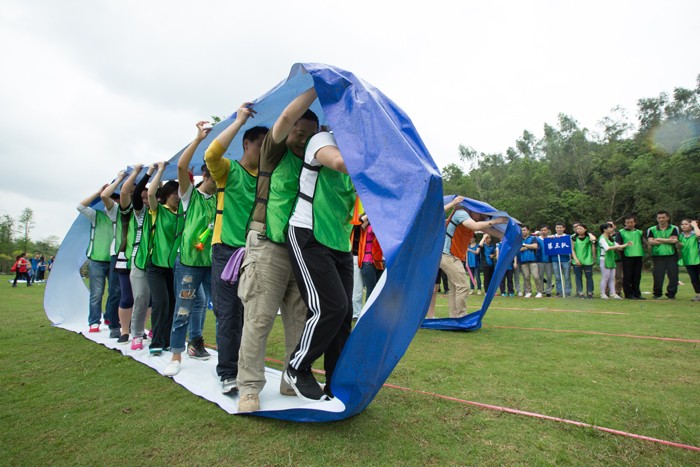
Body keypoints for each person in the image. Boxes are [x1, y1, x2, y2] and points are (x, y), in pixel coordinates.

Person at [236, 90, 318, 411]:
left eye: (310, 136)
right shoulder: (274, 153)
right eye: (299, 133)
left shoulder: (313, 165)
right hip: (267, 247)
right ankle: (249, 389)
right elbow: (285, 117)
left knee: (299, 321)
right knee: (259, 319)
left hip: (302, 252)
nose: (303, 140)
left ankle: (291, 380)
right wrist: (317, 87)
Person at [283, 127, 358, 402]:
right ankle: (297, 367)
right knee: (330, 307)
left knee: (344, 313)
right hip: (308, 234)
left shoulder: (355, 159)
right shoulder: (322, 140)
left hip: (339, 241)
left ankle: (335, 382)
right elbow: (337, 162)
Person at [162, 122, 218, 377]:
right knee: (183, 309)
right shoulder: (189, 196)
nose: (220, 181)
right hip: (188, 262)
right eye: (216, 177)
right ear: (206, 175)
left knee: (219, 309)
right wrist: (198, 139)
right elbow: (181, 167)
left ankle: (218, 354)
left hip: (212, 263)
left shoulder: (220, 199)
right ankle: (176, 356)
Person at [441, 197, 508, 316]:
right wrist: (496, 221)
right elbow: (476, 226)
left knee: (455, 288)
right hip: (448, 255)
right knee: (463, 286)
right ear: (474, 210)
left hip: (453, 256)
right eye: (482, 216)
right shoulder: (461, 214)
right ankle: (461, 316)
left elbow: (490, 230)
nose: (483, 218)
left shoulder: (470, 218)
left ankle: (454, 317)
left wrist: (507, 235)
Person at [77, 179, 124, 336]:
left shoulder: (121, 216)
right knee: (96, 293)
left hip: (114, 259)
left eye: (116, 199)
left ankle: (110, 318)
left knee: (115, 292)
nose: (113, 201)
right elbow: (80, 206)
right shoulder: (96, 215)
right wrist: (98, 192)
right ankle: (94, 321)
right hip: (97, 259)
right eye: (111, 198)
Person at [146, 162, 181, 355]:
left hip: (173, 267)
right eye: (175, 193)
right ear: (167, 194)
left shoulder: (180, 214)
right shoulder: (158, 210)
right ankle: (156, 343)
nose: (178, 197)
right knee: (160, 303)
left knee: (172, 304)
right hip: (155, 265)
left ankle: (167, 340)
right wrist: (160, 170)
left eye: (179, 193)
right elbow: (151, 193)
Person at [122, 164, 154, 350]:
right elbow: (133, 195)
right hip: (139, 261)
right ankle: (137, 334)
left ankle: (156, 331)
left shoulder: (160, 211)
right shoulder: (140, 213)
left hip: (158, 262)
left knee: (159, 300)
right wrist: (148, 173)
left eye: (148, 197)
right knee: (141, 298)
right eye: (143, 198)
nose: (145, 200)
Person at [103, 170, 135, 345]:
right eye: (129, 191)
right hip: (119, 254)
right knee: (116, 291)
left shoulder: (140, 209)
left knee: (134, 293)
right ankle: (114, 326)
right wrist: (120, 178)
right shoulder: (116, 209)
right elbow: (104, 195)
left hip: (136, 254)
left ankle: (129, 326)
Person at [646, 211, 680, 299]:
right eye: (659, 218)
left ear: (668, 218)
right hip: (658, 255)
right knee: (658, 275)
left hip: (671, 255)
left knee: (673, 275)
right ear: (657, 219)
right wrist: (667, 240)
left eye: (663, 217)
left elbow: (674, 240)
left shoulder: (674, 228)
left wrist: (659, 239)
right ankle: (657, 294)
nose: (661, 219)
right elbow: (650, 242)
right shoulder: (652, 229)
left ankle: (671, 294)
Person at [615, 215, 645, 300]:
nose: (629, 224)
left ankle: (637, 293)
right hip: (627, 256)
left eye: (631, 222)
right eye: (627, 223)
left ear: (635, 223)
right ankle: (628, 293)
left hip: (638, 255)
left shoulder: (639, 232)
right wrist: (621, 252)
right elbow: (617, 244)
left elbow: (642, 243)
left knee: (637, 276)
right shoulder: (621, 232)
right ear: (625, 223)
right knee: (627, 276)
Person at [357, 214, 384, 300]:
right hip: (368, 263)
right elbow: (359, 221)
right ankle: (369, 309)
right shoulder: (365, 226)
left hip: (379, 263)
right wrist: (371, 213)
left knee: (378, 291)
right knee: (371, 291)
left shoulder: (380, 225)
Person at [598, 223, 629, 299]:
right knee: (605, 277)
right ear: (605, 229)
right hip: (604, 259)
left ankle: (613, 293)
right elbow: (607, 248)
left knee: (612, 277)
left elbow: (618, 246)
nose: (612, 229)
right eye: (610, 228)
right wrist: (621, 246)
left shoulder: (610, 238)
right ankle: (602, 293)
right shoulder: (602, 238)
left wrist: (625, 245)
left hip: (611, 259)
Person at [571, 223, 596, 299]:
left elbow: (593, 239)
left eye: (580, 228)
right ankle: (580, 292)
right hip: (577, 261)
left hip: (587, 261)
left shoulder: (588, 238)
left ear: (585, 229)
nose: (578, 230)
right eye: (577, 229)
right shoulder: (574, 238)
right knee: (578, 277)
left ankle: (590, 292)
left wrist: (588, 233)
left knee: (589, 277)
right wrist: (575, 259)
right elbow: (572, 249)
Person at [678, 219, 700, 301]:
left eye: (686, 224)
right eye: (682, 224)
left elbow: (699, 235)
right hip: (688, 260)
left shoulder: (695, 234)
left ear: (691, 225)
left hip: (698, 259)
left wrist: (695, 226)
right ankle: (698, 294)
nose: (684, 226)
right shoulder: (680, 236)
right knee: (694, 279)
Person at [518, 225, 542, 298]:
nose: (522, 232)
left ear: (528, 231)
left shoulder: (533, 238)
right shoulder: (519, 239)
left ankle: (539, 291)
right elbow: (519, 249)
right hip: (523, 260)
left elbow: (535, 246)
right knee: (526, 277)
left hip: (533, 260)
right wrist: (529, 247)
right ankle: (528, 292)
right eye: (521, 230)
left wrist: (524, 245)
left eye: (524, 230)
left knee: (536, 276)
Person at [550, 222, 572, 298]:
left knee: (567, 276)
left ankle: (567, 292)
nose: (559, 229)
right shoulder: (552, 237)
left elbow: (571, 247)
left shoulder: (568, 237)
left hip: (565, 259)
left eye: (560, 228)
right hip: (555, 259)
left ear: (564, 228)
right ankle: (559, 292)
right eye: (557, 228)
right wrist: (551, 238)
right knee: (557, 277)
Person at [537, 226, 553, 297]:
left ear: (548, 231)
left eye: (545, 230)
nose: (543, 231)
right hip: (540, 260)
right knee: (540, 276)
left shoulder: (551, 238)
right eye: (542, 230)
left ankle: (548, 291)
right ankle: (540, 290)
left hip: (549, 261)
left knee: (549, 276)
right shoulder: (537, 239)